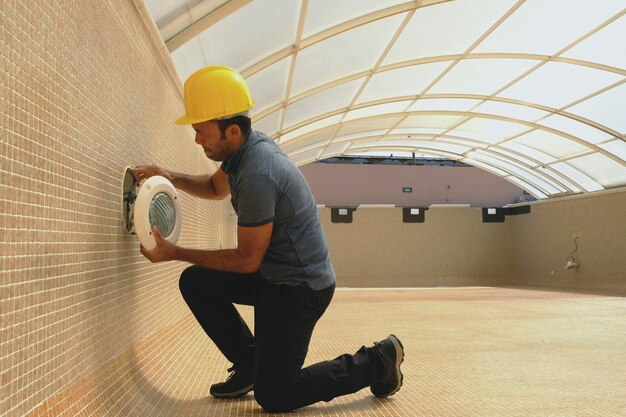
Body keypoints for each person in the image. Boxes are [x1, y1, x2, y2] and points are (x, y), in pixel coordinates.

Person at [133, 65, 404, 413]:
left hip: (299, 289)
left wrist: (174, 252)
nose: (197, 139)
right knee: (197, 282)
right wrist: (167, 175)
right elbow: (216, 188)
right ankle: (251, 365)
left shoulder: (258, 173)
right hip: (275, 276)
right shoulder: (245, 149)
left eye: (201, 132)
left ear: (231, 130)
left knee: (275, 395)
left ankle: (379, 359)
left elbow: (247, 261)